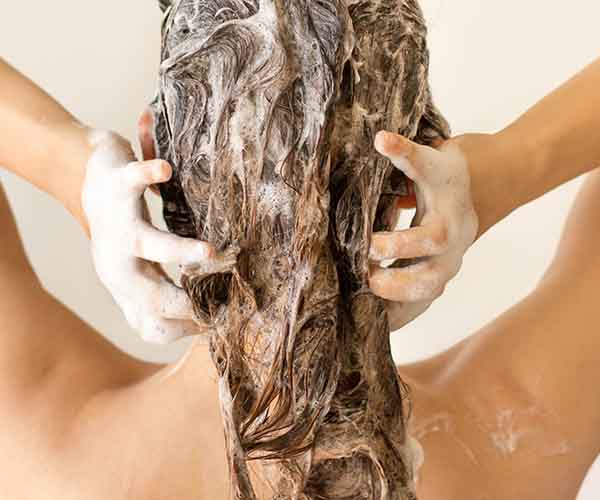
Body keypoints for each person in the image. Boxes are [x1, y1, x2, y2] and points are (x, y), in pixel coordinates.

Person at [1, 50, 599, 499]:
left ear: (158, 154)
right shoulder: (512, 431)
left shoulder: (48, 441)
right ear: (408, 188)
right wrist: (507, 167)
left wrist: (73, 165)